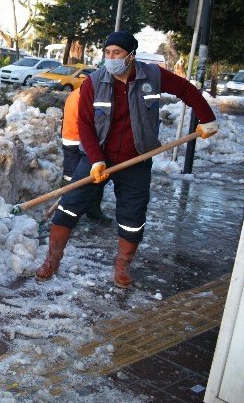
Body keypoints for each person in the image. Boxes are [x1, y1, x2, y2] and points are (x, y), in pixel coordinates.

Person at [35, 31, 218, 288]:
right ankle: (51, 262)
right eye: (107, 53)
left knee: (132, 216)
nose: (111, 58)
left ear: (131, 56)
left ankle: (122, 267)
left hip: (137, 159)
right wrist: (97, 159)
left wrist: (207, 117)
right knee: (69, 206)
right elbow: (85, 125)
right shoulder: (94, 82)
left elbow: (187, 90)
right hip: (98, 157)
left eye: (116, 53)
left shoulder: (152, 77)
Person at [61, 88, 111, 222]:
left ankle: (92, 210)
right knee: (71, 176)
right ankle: (65, 211)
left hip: (86, 141)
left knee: (96, 175)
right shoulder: (86, 95)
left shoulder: (87, 92)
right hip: (74, 140)